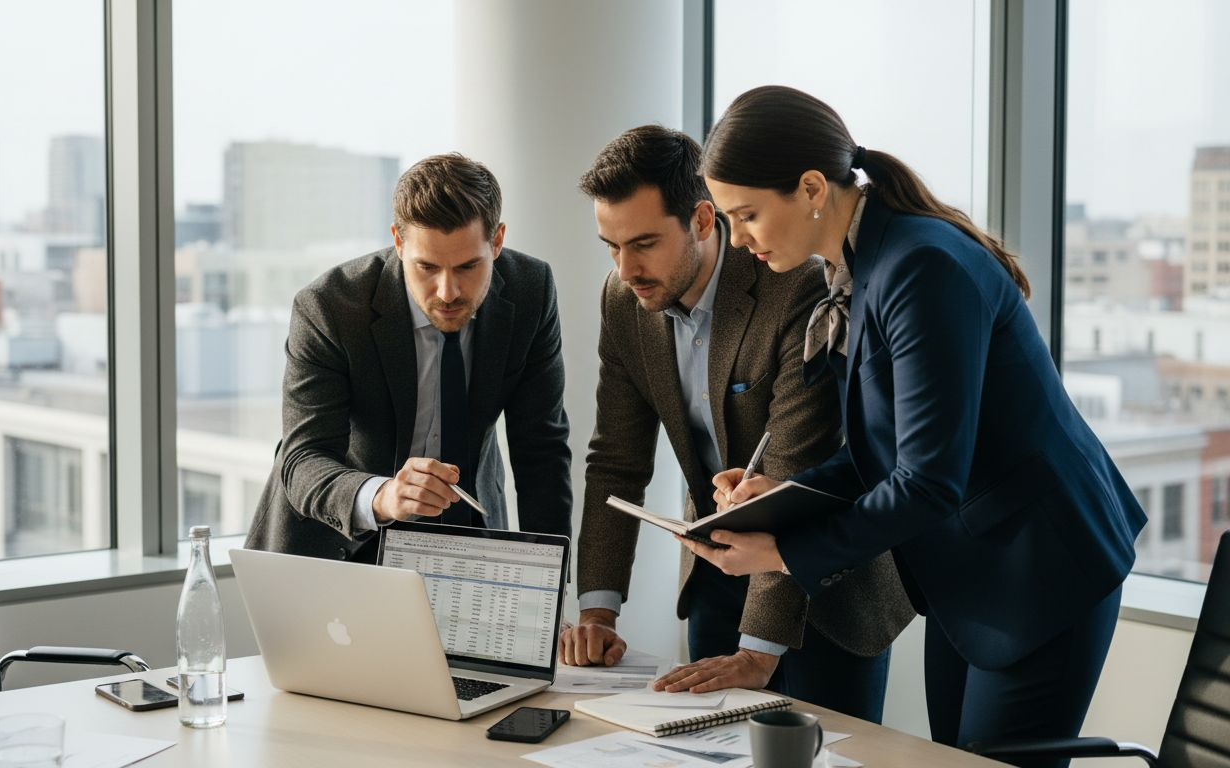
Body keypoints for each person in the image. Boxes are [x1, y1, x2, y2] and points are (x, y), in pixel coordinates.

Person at [669, 86, 1146, 764]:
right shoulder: (863, 266)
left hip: (1041, 568)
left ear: (810, 187)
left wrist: (781, 555)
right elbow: (879, 454)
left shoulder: (918, 267)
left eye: (747, 215)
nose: (738, 239)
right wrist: (774, 503)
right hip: (970, 569)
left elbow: (926, 482)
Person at [560, 125, 912, 722]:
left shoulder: (794, 285)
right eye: (611, 247)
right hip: (717, 576)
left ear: (702, 219)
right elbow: (615, 457)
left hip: (818, 586)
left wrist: (757, 650)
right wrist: (597, 611)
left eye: (643, 244)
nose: (626, 268)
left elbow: (793, 471)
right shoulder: (624, 300)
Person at [246, 153, 573, 562]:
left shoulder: (531, 290)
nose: (448, 291)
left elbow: (541, 450)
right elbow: (303, 459)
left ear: (498, 240)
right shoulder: (330, 307)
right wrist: (384, 495)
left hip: (469, 542)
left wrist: (549, 584)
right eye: (427, 267)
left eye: (469, 266)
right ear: (399, 242)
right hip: (337, 542)